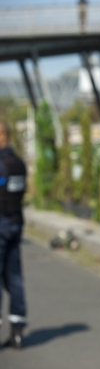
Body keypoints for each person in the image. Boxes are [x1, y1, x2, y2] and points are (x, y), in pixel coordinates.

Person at [0, 121, 27, 349]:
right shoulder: (19, 163)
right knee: (15, 279)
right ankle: (17, 332)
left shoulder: (1, 164)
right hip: (15, 223)